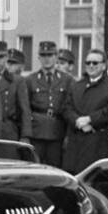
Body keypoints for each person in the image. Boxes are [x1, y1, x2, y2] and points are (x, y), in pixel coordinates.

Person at [63, 49, 108, 174]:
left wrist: (89, 119)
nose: (91, 66)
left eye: (95, 63)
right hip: (75, 143)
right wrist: (77, 121)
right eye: (88, 63)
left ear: (103, 66)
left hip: (98, 143)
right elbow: (66, 108)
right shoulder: (76, 86)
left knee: (95, 182)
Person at [19, 41, 72, 169]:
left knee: (55, 169)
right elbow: (25, 109)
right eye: (43, 55)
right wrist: (26, 135)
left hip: (57, 131)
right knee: (35, 169)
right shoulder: (30, 80)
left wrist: (68, 135)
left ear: (56, 57)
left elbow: (70, 107)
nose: (46, 59)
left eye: (50, 55)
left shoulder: (67, 80)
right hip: (37, 131)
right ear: (38, 58)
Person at [0, 40, 24, 141]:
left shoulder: (17, 81)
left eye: (1, 57)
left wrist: (25, 136)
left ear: (6, 57)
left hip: (8, 131)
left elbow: (24, 111)